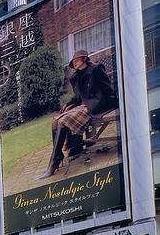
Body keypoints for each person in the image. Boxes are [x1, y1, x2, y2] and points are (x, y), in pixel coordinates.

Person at [41, 49, 117, 178]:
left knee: (62, 121)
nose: (74, 63)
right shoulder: (75, 77)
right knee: (55, 120)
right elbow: (77, 97)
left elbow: (107, 88)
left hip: (96, 105)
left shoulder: (97, 69)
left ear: (85, 59)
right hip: (82, 106)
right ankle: (57, 156)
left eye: (76, 60)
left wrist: (113, 103)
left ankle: (54, 162)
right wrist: (67, 104)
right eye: (73, 62)